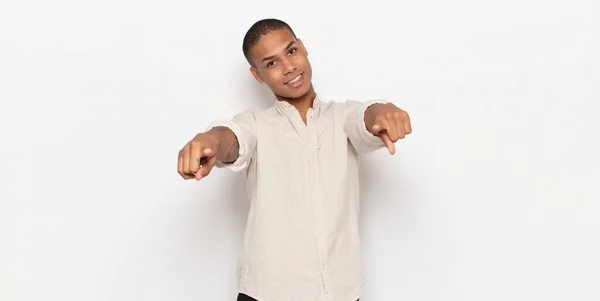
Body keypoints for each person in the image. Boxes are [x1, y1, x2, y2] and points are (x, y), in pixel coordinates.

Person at [177, 18, 412, 301]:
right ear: (257, 75)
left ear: (302, 47)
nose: (289, 67)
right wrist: (210, 140)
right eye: (272, 63)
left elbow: (365, 117)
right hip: (267, 294)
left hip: (342, 292)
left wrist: (384, 112)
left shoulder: (341, 117)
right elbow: (233, 137)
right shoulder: (256, 124)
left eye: (291, 51)